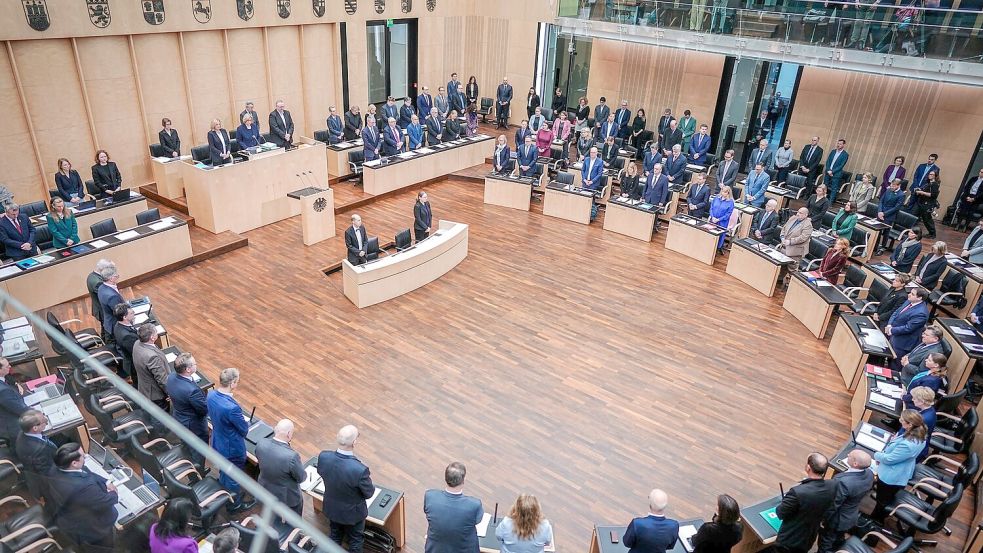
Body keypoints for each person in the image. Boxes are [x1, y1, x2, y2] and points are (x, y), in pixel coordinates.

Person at [47, 443, 117, 551]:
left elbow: (85, 471)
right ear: (74, 463)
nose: (85, 458)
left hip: (71, 513)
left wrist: (106, 481)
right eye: (83, 457)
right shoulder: (83, 487)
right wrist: (114, 492)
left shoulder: (55, 469)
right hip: (94, 528)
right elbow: (106, 501)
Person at [318, 425, 375, 553]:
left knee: (334, 535)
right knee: (356, 541)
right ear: (354, 442)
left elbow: (321, 472)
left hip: (332, 508)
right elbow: (369, 493)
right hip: (352, 515)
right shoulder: (360, 469)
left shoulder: (323, 457)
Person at [871, 410, 926, 522]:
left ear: (910, 424)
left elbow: (890, 459)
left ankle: (874, 523)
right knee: (885, 498)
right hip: (901, 471)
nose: (900, 420)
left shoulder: (908, 444)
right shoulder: (920, 433)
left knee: (882, 502)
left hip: (891, 476)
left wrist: (876, 455)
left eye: (902, 419)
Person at [774, 453, 834, 553]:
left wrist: (786, 501)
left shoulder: (798, 492)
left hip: (790, 540)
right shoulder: (832, 485)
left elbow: (780, 513)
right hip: (809, 537)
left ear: (808, 467)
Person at [817, 450, 874, 553]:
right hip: (851, 515)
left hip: (837, 519)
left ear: (855, 464)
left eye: (850, 456)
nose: (847, 455)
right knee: (838, 539)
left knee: (825, 543)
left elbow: (834, 504)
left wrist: (823, 519)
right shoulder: (869, 474)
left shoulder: (844, 482)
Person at [423, 461, 483, 553]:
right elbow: (477, 520)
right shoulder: (474, 505)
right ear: (463, 481)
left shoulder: (430, 496)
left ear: (446, 478)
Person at [257, 419, 305, 523]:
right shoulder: (291, 456)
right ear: (288, 434)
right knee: (294, 522)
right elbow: (301, 478)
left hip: (265, 489)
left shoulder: (261, 443)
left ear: (275, 429)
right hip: (287, 497)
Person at [166, 352, 209, 465]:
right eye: (195, 363)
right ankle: (198, 474)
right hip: (194, 426)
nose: (196, 365)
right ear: (188, 369)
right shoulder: (192, 391)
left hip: (179, 418)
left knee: (186, 446)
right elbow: (203, 410)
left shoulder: (170, 377)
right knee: (198, 451)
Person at [15, 409, 56, 503]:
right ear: (35, 428)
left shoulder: (23, 432)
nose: (46, 420)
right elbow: (48, 474)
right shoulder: (39, 450)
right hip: (49, 483)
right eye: (43, 420)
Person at [623, 489, 678, 553]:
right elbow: (670, 546)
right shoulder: (674, 525)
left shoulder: (637, 524)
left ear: (650, 504)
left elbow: (627, 543)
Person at [133, 323, 170, 410]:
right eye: (156, 332)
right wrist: (170, 393)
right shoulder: (152, 357)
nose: (157, 333)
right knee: (162, 418)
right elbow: (162, 379)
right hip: (155, 394)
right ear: (152, 337)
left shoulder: (137, 343)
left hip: (144, 387)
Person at [886, 288, 931, 358]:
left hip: (902, 343)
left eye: (912, 294)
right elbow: (896, 312)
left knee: (895, 364)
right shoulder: (909, 301)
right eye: (910, 293)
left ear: (919, 298)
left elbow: (908, 328)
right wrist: (889, 325)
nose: (909, 295)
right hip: (894, 334)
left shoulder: (921, 313)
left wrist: (891, 330)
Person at [875, 178, 907, 254]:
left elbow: (896, 208)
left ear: (898, 185)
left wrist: (884, 214)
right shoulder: (888, 190)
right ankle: (875, 245)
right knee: (877, 230)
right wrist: (880, 211)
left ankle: (882, 248)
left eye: (893, 186)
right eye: (891, 185)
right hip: (880, 213)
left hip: (889, 216)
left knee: (886, 232)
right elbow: (881, 201)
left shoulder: (901, 195)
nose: (891, 187)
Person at [0, 358, 28, 443]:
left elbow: (8, 377)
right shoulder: (3, 391)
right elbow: (22, 410)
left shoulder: (3, 379)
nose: (10, 366)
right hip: (14, 427)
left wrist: (15, 383)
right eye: (7, 366)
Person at [87, 259, 114, 342]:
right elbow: (107, 295)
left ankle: (104, 342)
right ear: (103, 270)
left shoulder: (92, 275)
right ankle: (109, 346)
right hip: (102, 310)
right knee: (108, 330)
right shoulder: (97, 282)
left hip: (100, 308)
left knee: (104, 327)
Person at [909, 170, 940, 239]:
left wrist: (922, 192)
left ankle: (932, 234)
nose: (930, 175)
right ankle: (909, 230)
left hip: (927, 204)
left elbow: (933, 195)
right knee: (912, 215)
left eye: (932, 174)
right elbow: (924, 190)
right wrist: (919, 190)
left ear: (935, 176)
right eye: (929, 174)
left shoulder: (935, 184)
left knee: (927, 220)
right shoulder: (928, 183)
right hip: (920, 202)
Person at [112, 303, 138, 382]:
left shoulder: (118, 324)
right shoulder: (127, 336)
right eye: (131, 313)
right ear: (124, 317)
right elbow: (136, 351)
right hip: (134, 365)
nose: (134, 313)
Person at [96, 263, 124, 336]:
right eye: (116, 276)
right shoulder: (112, 296)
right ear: (111, 279)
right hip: (115, 326)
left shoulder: (101, 287)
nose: (118, 277)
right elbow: (120, 313)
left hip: (108, 321)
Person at [709, 186, 735, 252]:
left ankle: (717, 249)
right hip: (713, 220)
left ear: (728, 193)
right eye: (722, 191)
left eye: (725, 192)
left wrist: (718, 219)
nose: (723, 193)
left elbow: (728, 214)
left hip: (722, 222)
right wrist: (712, 216)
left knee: (719, 236)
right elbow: (711, 207)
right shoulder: (716, 198)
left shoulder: (731, 202)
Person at [825, 139, 850, 203]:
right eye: (838, 143)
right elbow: (828, 161)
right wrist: (828, 170)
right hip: (828, 172)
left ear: (843, 145)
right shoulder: (833, 151)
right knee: (824, 186)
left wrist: (832, 171)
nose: (838, 145)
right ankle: (822, 200)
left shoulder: (845, 154)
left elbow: (841, 165)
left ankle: (830, 203)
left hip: (836, 174)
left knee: (834, 189)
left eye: (840, 144)